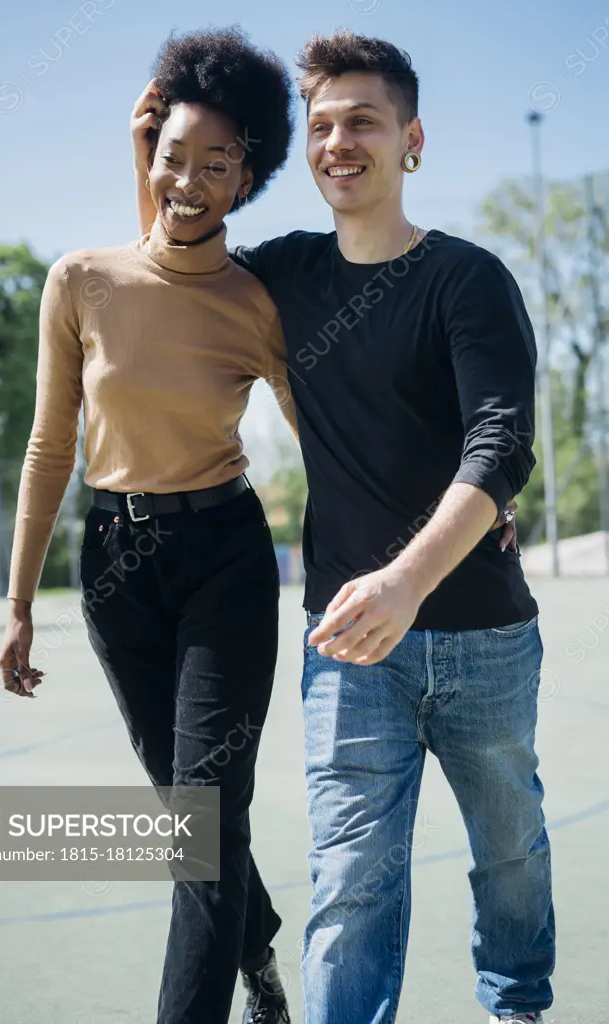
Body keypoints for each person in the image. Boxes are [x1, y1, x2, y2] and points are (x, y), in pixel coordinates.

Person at [131, 29, 554, 1024]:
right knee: (349, 881)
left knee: (510, 855)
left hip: (485, 639)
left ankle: (519, 1006)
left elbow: (500, 446)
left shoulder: (466, 278)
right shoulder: (279, 277)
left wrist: (406, 580)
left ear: (411, 139)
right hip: (348, 651)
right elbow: (163, 268)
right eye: (320, 125)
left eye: (361, 120)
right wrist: (147, 140)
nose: (337, 141)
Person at [0, 27, 298, 1024]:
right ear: (147, 149)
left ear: (249, 176)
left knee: (203, 824)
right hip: (114, 565)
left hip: (226, 559)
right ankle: (253, 951)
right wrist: (17, 606)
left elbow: (326, 447)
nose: (191, 178)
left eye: (218, 163)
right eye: (174, 155)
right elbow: (50, 448)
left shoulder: (256, 303)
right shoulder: (80, 280)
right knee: (189, 822)